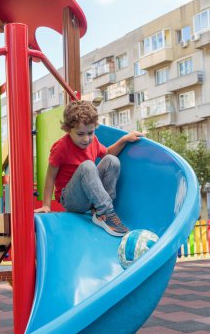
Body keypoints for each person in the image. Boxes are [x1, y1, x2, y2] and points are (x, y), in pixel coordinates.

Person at [35, 100, 145, 237]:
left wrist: (124, 139)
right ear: (68, 129)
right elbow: (50, 176)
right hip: (72, 200)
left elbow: (107, 153)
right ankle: (106, 213)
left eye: (90, 133)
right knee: (87, 165)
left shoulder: (93, 141)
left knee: (112, 161)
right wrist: (46, 205)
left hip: (91, 197)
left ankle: (101, 211)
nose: (86, 139)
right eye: (80, 134)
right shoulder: (61, 147)